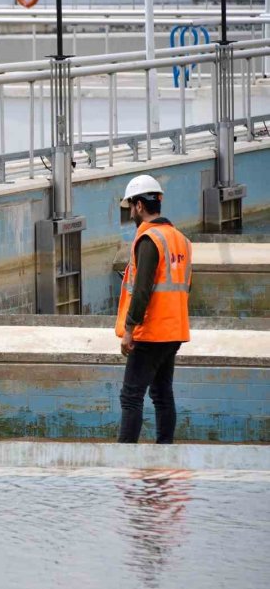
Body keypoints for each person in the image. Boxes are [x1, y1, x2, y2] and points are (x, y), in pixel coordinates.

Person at [115, 175, 192, 444]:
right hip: (174, 330)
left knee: (131, 396)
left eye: (131, 207)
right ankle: (165, 454)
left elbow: (143, 290)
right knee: (161, 394)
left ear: (139, 205)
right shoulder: (180, 240)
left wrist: (129, 330)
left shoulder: (149, 240)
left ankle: (124, 457)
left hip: (151, 333)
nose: (131, 213)